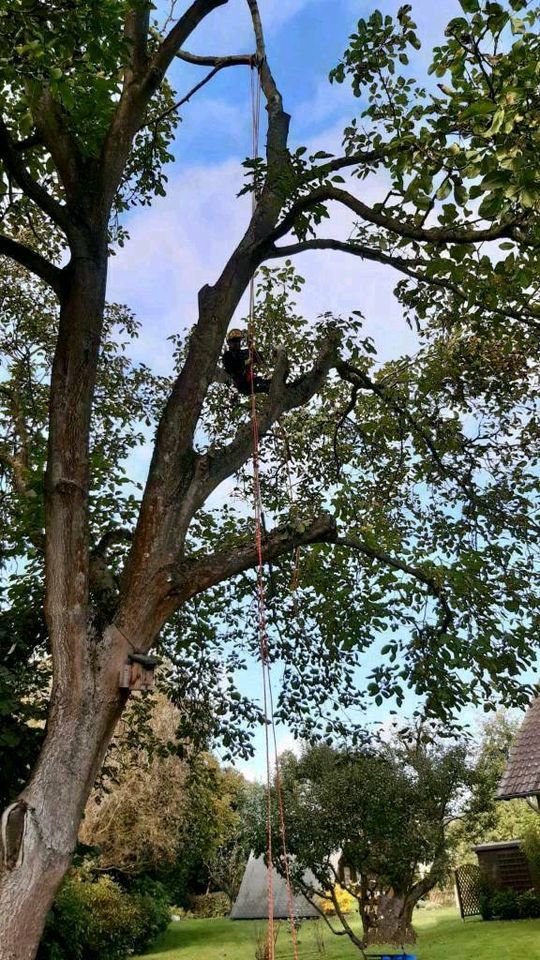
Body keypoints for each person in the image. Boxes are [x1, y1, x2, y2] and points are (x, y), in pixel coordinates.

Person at [222, 328, 271, 395]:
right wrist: (245, 363)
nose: (237, 343)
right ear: (229, 343)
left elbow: (260, 359)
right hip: (240, 384)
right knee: (260, 386)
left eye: (238, 341)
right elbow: (232, 368)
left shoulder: (244, 352)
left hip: (250, 381)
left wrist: (251, 347)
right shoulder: (227, 355)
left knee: (267, 383)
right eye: (234, 341)